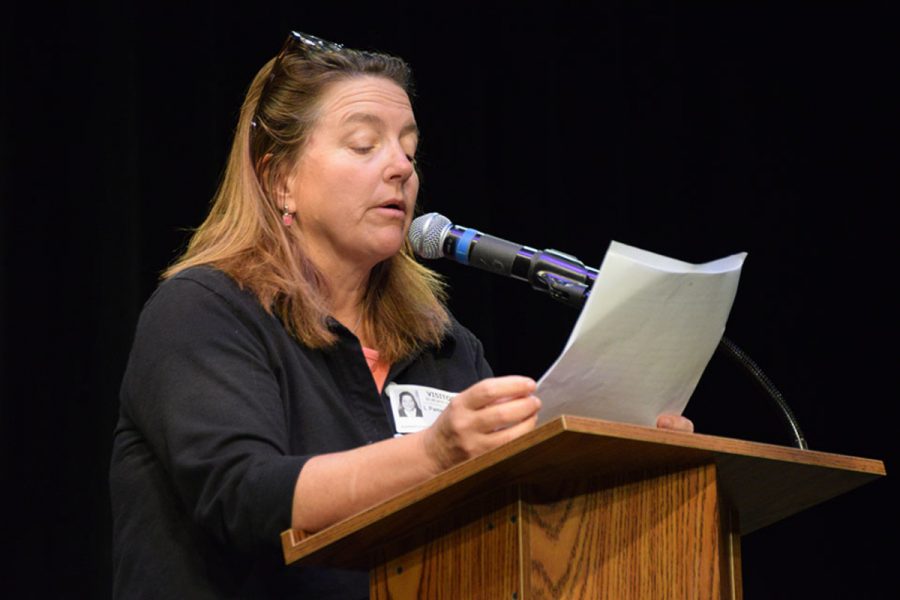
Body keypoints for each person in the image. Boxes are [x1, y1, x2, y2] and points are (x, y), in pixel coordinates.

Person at [109, 30, 693, 599]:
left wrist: (614, 457)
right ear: (277, 178)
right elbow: (243, 495)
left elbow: (505, 517)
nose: (401, 169)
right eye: (365, 145)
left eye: (409, 149)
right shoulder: (204, 312)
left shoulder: (444, 346)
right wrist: (434, 453)